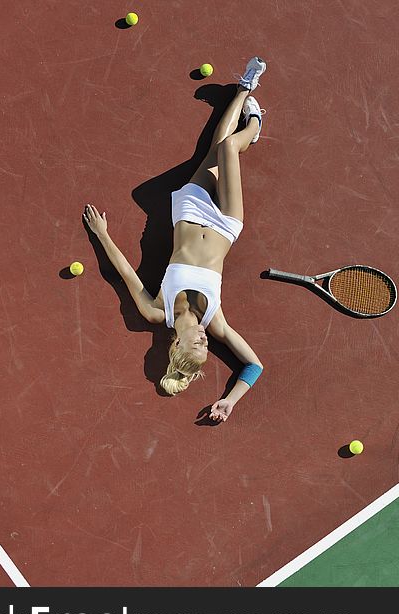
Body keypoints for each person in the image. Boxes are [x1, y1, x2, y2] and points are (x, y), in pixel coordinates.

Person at [83, 56, 268, 422]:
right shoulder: (215, 322)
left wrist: (102, 235)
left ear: (177, 344)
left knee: (217, 149)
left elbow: (125, 273)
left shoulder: (156, 311)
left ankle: (245, 89)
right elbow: (254, 365)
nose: (206, 340)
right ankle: (257, 122)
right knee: (229, 149)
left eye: (198, 344)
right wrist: (231, 400)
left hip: (189, 211)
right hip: (227, 222)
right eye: (206, 344)